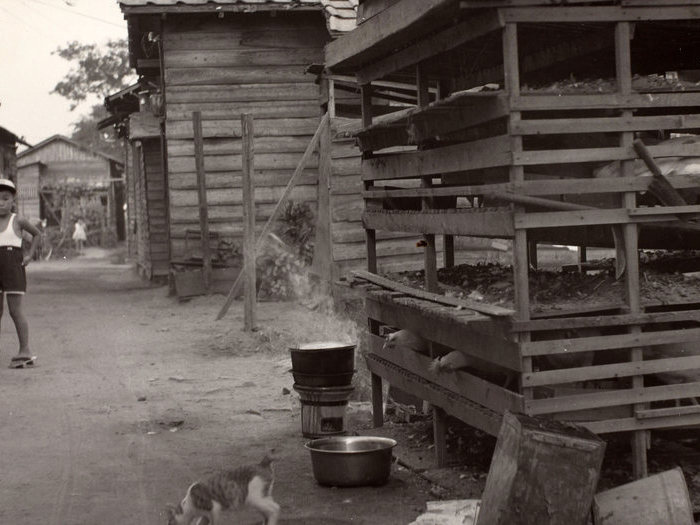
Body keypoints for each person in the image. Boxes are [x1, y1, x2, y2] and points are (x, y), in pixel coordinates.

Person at [0, 179, 42, 369]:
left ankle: (24, 350)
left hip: (13, 267)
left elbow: (37, 234)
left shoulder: (18, 220)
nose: (1, 202)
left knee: (15, 311)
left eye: (5, 199)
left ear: (12, 201)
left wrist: (30, 255)